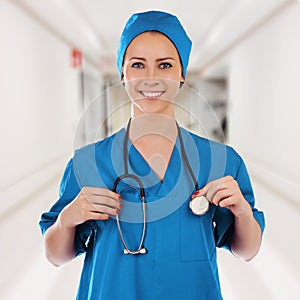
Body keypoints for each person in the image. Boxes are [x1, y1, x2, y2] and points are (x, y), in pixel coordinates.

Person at [39, 10, 265, 300]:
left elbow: (247, 250)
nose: (151, 78)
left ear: (181, 73)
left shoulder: (219, 160)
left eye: (165, 65)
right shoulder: (88, 162)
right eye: (137, 65)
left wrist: (242, 211)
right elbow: (56, 256)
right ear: (123, 72)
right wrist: (67, 219)